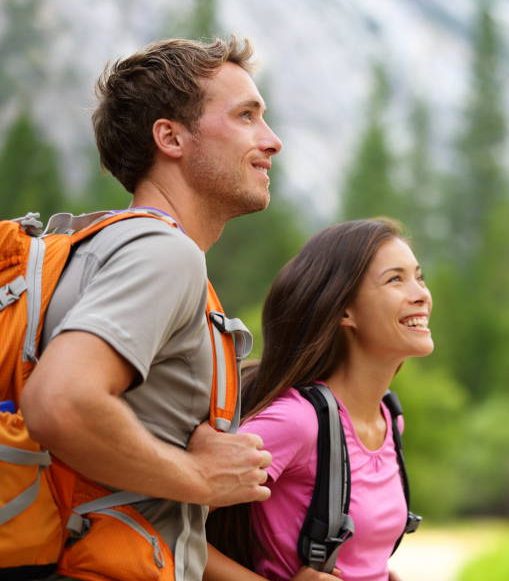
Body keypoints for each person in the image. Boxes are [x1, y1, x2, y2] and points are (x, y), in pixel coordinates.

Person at [20, 36, 282, 580]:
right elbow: (60, 402)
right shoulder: (164, 253)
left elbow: (147, 512)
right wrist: (199, 476)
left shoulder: (99, 248)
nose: (271, 140)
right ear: (170, 137)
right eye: (246, 116)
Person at [204, 218, 433, 581]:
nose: (421, 293)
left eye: (419, 277)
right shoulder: (297, 423)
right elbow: (170, 524)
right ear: (345, 311)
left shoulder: (390, 416)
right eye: (395, 279)